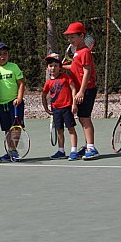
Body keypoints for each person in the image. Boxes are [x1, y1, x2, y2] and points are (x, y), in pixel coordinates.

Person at [63, 22, 99, 160]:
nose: (70, 40)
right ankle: (87, 145)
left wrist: (81, 91)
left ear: (82, 36)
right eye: (69, 37)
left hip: (87, 89)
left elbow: (87, 71)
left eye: (73, 37)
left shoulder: (84, 52)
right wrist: (61, 67)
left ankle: (91, 147)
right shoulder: (77, 52)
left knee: (85, 118)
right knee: (82, 118)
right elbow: (75, 67)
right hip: (82, 90)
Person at [0, 42, 26, 162]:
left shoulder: (14, 67)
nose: (3, 56)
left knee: (16, 127)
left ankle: (13, 150)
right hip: (1, 104)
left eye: (5, 53)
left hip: (15, 103)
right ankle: (10, 151)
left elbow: (21, 83)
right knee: (7, 129)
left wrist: (19, 98)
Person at [41, 53, 79, 160]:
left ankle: (74, 151)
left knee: (71, 129)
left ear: (60, 67)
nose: (53, 68)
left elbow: (73, 89)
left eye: (55, 65)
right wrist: (46, 108)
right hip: (55, 110)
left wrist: (74, 104)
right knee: (59, 131)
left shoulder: (66, 77)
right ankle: (61, 151)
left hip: (67, 108)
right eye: (50, 66)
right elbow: (43, 95)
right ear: (47, 68)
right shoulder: (48, 83)